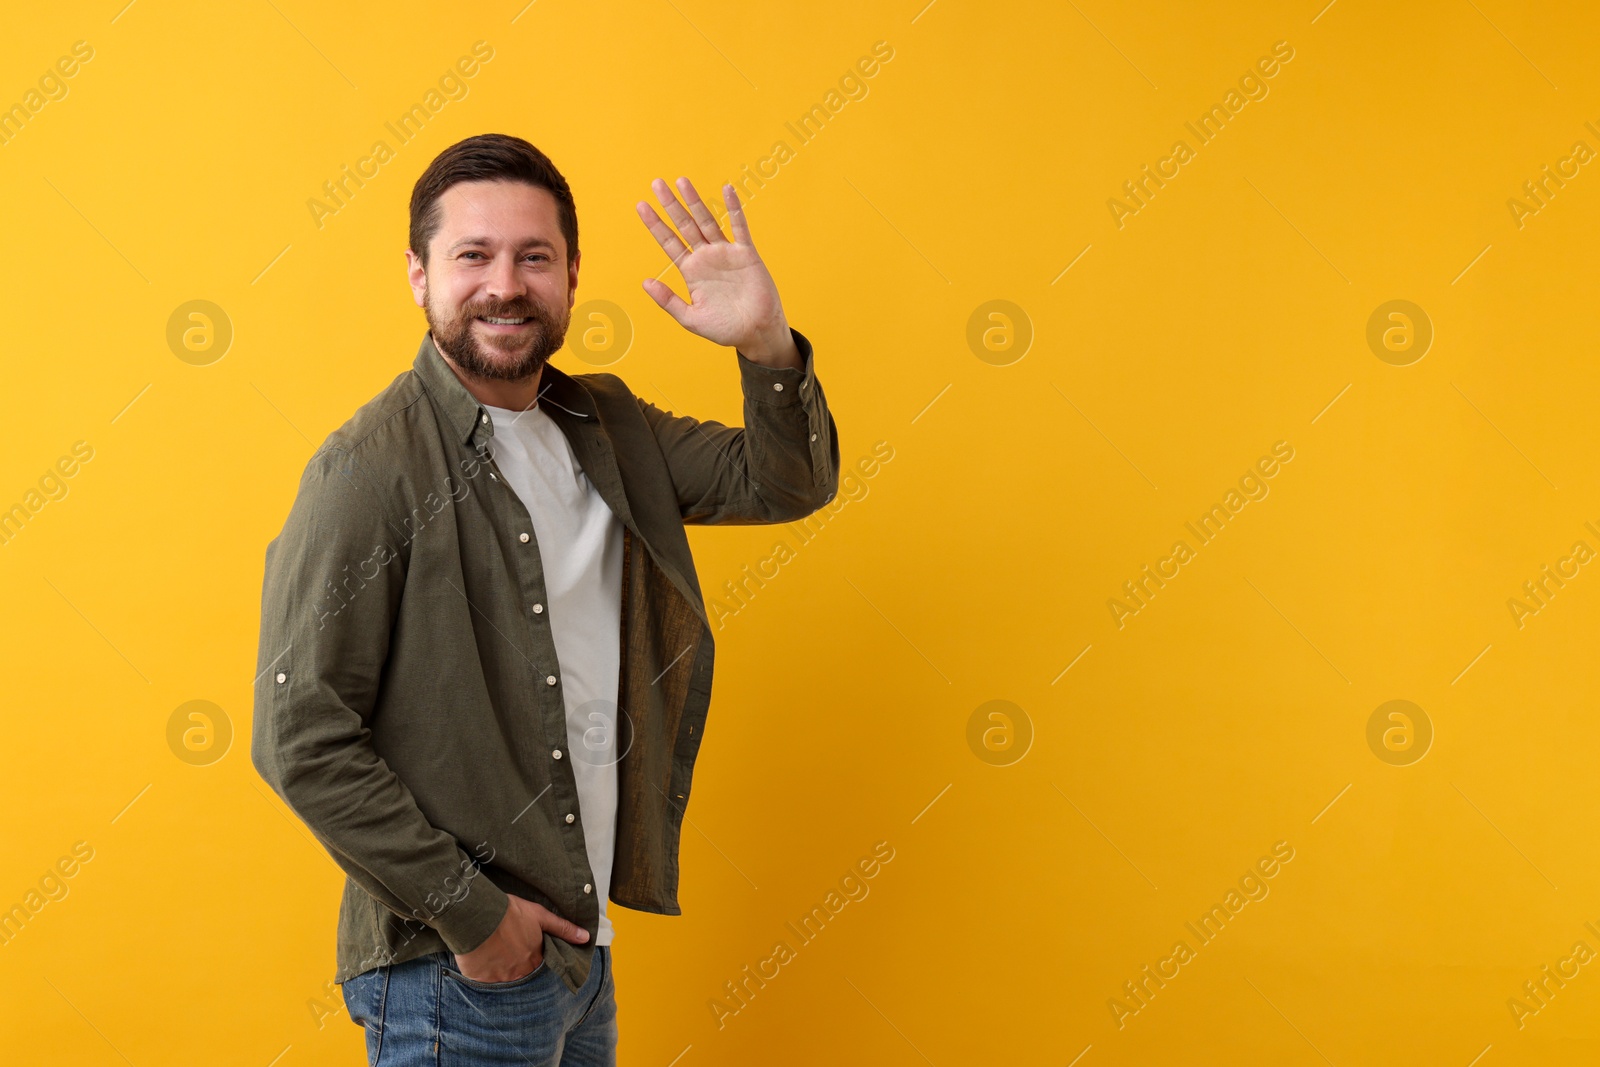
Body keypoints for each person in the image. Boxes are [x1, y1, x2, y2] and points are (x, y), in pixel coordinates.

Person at [251, 132, 839, 1065]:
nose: (505, 284)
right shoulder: (369, 469)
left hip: (575, 955)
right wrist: (476, 918)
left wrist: (767, 344)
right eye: (472, 256)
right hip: (453, 969)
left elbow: (785, 483)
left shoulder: (607, 424)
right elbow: (300, 736)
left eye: (535, 256)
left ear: (571, 276)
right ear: (419, 275)